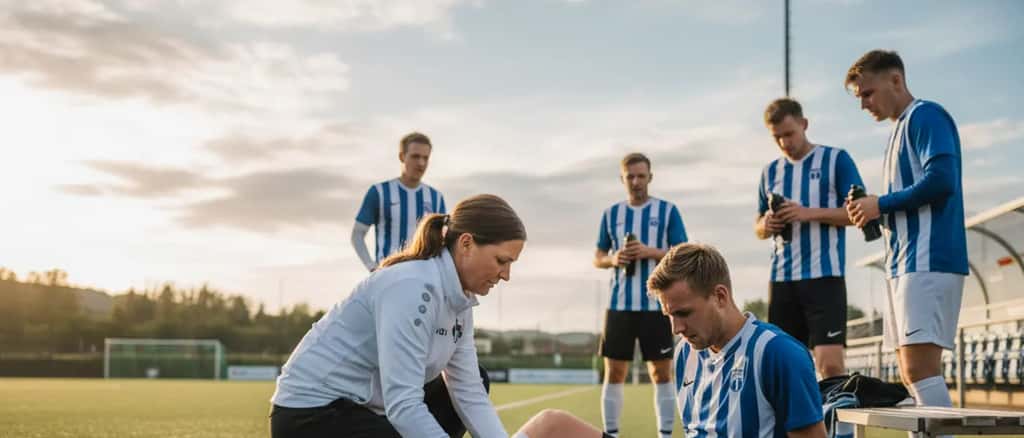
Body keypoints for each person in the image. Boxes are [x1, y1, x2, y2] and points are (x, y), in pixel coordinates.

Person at [271, 194, 525, 438]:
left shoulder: (461, 301)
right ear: (466, 243)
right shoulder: (411, 286)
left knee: (476, 379)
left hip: (367, 411)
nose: (506, 274)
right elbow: (403, 403)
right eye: (501, 260)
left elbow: (468, 390)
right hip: (311, 416)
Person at [514, 243, 826, 438]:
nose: (676, 328)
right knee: (550, 425)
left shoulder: (777, 353)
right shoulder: (686, 354)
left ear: (720, 296)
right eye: (668, 316)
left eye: (684, 313)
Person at [844, 50, 967, 422]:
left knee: (921, 370)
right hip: (903, 264)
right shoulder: (897, 131)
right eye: (859, 97)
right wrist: (871, 213)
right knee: (912, 373)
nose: (864, 104)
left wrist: (879, 203)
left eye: (867, 93)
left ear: (895, 80)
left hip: (929, 260)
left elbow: (943, 181)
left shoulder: (925, 115)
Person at [754, 97, 866, 379]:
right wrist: (766, 224)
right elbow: (757, 226)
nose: (784, 143)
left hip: (824, 276)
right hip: (781, 280)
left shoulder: (835, 159)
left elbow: (858, 214)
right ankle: (797, 425)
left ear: (804, 125)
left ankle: (840, 426)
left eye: (789, 134)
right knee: (786, 367)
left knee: (830, 366)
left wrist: (806, 213)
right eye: (777, 137)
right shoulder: (770, 172)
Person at [593, 152, 687, 438]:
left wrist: (649, 252)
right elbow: (598, 256)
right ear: (622, 179)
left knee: (661, 373)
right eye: (630, 176)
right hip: (619, 305)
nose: (635, 182)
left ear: (650, 177)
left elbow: (683, 251)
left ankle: (665, 435)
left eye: (641, 176)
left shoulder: (667, 211)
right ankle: (611, 434)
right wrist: (614, 258)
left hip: (657, 306)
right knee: (615, 372)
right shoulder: (612, 214)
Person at [352, 132, 447, 272]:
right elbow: (357, 234)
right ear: (402, 157)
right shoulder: (379, 192)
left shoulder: (436, 198)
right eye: (415, 156)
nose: (421, 163)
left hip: (424, 276)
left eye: (425, 158)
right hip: (388, 273)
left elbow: (443, 241)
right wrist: (371, 266)